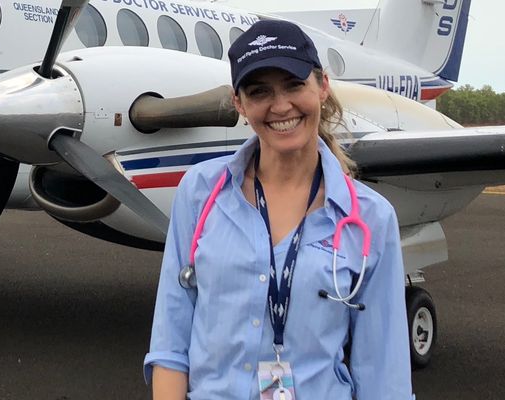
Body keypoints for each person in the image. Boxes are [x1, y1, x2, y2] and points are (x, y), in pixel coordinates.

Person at [144, 19, 413, 400]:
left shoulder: (372, 219)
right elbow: (171, 344)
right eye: (259, 92)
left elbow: (383, 377)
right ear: (239, 104)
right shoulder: (199, 193)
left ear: (322, 86)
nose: (281, 105)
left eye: (294, 85)